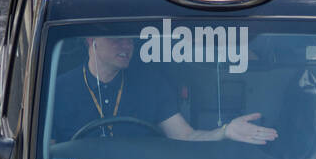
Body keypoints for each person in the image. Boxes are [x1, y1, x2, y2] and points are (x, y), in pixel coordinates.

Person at [52, 34, 278, 144]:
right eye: (117, 39)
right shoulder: (58, 90)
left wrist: (224, 131)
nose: (126, 46)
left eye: (129, 40)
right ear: (91, 41)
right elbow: (45, 155)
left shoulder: (150, 84)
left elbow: (185, 136)